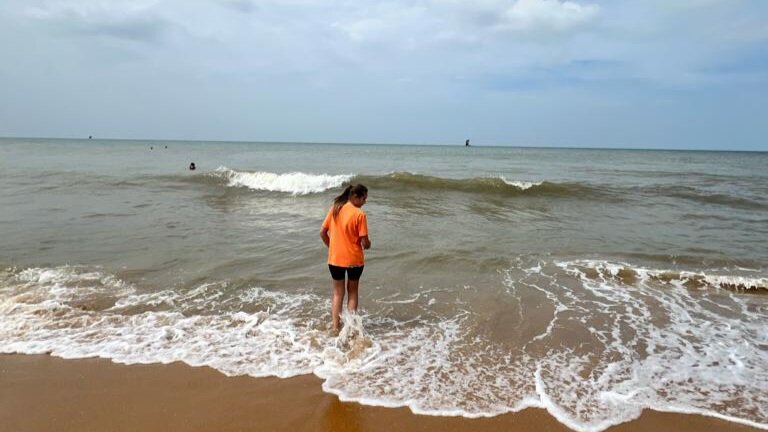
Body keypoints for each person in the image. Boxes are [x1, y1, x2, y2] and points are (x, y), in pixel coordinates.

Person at [320, 184, 371, 334]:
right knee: (353, 292)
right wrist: (368, 244)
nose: (364, 202)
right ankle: (350, 329)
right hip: (354, 260)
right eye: (364, 198)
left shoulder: (335, 208)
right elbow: (364, 242)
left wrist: (332, 247)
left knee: (337, 293)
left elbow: (322, 232)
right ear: (356, 197)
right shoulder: (359, 214)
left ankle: (335, 327)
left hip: (335, 259)